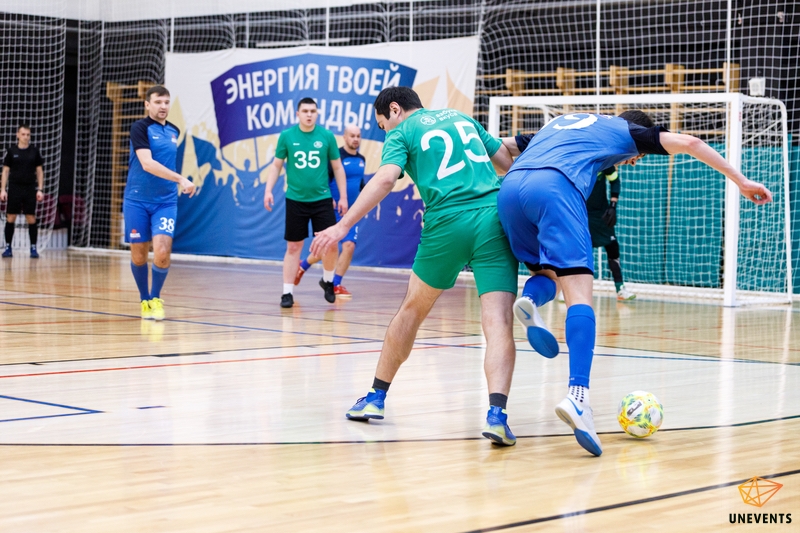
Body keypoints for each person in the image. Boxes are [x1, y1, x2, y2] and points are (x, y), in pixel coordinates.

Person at [499, 109, 772, 456]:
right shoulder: (624, 132)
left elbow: (500, 146)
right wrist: (741, 181)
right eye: (637, 156)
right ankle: (578, 397)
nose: (632, 161)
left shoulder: (562, 123)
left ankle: (531, 301)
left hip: (510, 188)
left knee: (546, 273)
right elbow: (691, 142)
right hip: (555, 187)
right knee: (579, 292)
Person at [311, 87, 521, 446]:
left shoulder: (403, 132)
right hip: (493, 220)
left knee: (411, 310)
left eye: (382, 124)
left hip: (447, 223)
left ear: (394, 109)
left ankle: (375, 398)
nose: (384, 131)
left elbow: (385, 179)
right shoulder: (463, 118)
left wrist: (342, 226)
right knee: (498, 320)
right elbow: (506, 161)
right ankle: (497, 415)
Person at [263, 97, 348, 309]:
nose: (309, 114)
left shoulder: (327, 136)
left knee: (330, 243)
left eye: (312, 111)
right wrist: (268, 190)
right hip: (296, 200)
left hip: (322, 199)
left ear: (317, 113)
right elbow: (276, 165)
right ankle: (287, 292)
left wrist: (343, 197)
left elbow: (338, 167)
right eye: (305, 111)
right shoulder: (287, 136)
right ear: (297, 114)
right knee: (294, 246)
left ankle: (328, 281)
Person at [124, 85, 196, 321]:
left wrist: (177, 181)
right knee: (139, 255)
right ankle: (144, 299)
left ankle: (155, 299)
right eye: (158, 102)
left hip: (165, 202)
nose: (163, 106)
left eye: (166, 102)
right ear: (147, 104)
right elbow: (147, 164)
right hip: (137, 200)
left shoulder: (174, 130)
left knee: (163, 252)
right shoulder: (140, 128)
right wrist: (181, 179)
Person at [295, 124, 366, 299]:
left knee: (349, 246)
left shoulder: (361, 159)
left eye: (358, 136)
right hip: (332, 210)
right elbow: (322, 180)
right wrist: (330, 199)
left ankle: (335, 284)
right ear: (345, 137)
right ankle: (302, 266)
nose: (355, 139)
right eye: (352, 136)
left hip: (351, 213)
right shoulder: (336, 157)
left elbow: (359, 184)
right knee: (328, 248)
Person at [587, 166, 635, 300]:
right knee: (581, 252)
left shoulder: (604, 163)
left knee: (613, 247)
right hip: (582, 214)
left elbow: (615, 180)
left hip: (602, 214)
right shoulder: (578, 164)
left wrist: (613, 205)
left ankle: (620, 288)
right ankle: (570, 290)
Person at [1, 124, 44, 258]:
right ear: (17, 135)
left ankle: (33, 248)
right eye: (23, 134)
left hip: (29, 188)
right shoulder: (11, 151)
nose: (26, 137)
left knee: (30, 217)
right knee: (11, 217)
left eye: (28, 135)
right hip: (14, 188)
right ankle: (8, 247)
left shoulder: (34, 152)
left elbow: (39, 171)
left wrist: (40, 189)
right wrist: (2, 190)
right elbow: (5, 171)